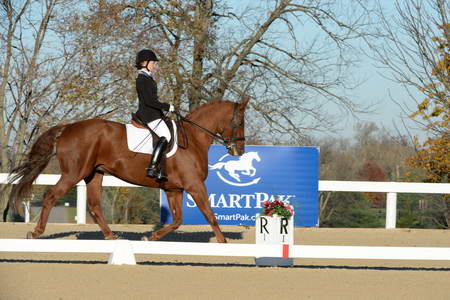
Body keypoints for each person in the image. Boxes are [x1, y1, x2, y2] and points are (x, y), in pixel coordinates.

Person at [134, 49, 175, 181]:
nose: (154, 65)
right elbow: (150, 101)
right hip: (148, 114)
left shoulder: (147, 77)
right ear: (145, 63)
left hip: (154, 113)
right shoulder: (142, 79)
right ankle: (152, 167)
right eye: (153, 63)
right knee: (166, 136)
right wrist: (167, 106)